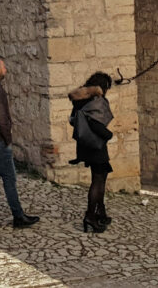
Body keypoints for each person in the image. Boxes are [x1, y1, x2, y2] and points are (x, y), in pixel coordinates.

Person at [0, 55, 39, 229]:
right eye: (3, 67)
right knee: (9, 178)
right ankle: (18, 216)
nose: (6, 70)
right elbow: (1, 118)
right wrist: (8, 140)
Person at [68, 72, 114, 233]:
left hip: (85, 144)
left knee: (102, 175)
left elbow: (74, 120)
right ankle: (90, 216)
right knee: (98, 180)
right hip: (96, 145)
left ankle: (100, 212)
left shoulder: (80, 100)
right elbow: (95, 124)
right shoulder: (96, 101)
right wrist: (108, 135)